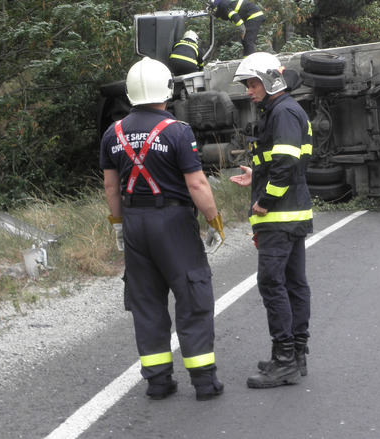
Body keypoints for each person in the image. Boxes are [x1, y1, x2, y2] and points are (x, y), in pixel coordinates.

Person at [99, 57, 227, 401]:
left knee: (146, 302)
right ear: (166, 90)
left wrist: (118, 226)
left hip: (134, 223)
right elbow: (197, 184)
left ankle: (158, 382)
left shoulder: (113, 133)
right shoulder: (178, 131)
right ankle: (203, 382)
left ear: (129, 93)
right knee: (192, 296)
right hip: (172, 224)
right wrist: (214, 219)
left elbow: (111, 188)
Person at [228, 52, 314, 388]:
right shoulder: (282, 110)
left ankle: (285, 360)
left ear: (270, 79)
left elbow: (288, 164)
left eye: (253, 83)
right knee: (293, 283)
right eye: (248, 84)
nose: (249, 90)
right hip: (290, 212)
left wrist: (264, 200)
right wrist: (257, 174)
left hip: (279, 216)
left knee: (272, 283)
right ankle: (296, 355)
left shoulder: (283, 112)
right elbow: (279, 161)